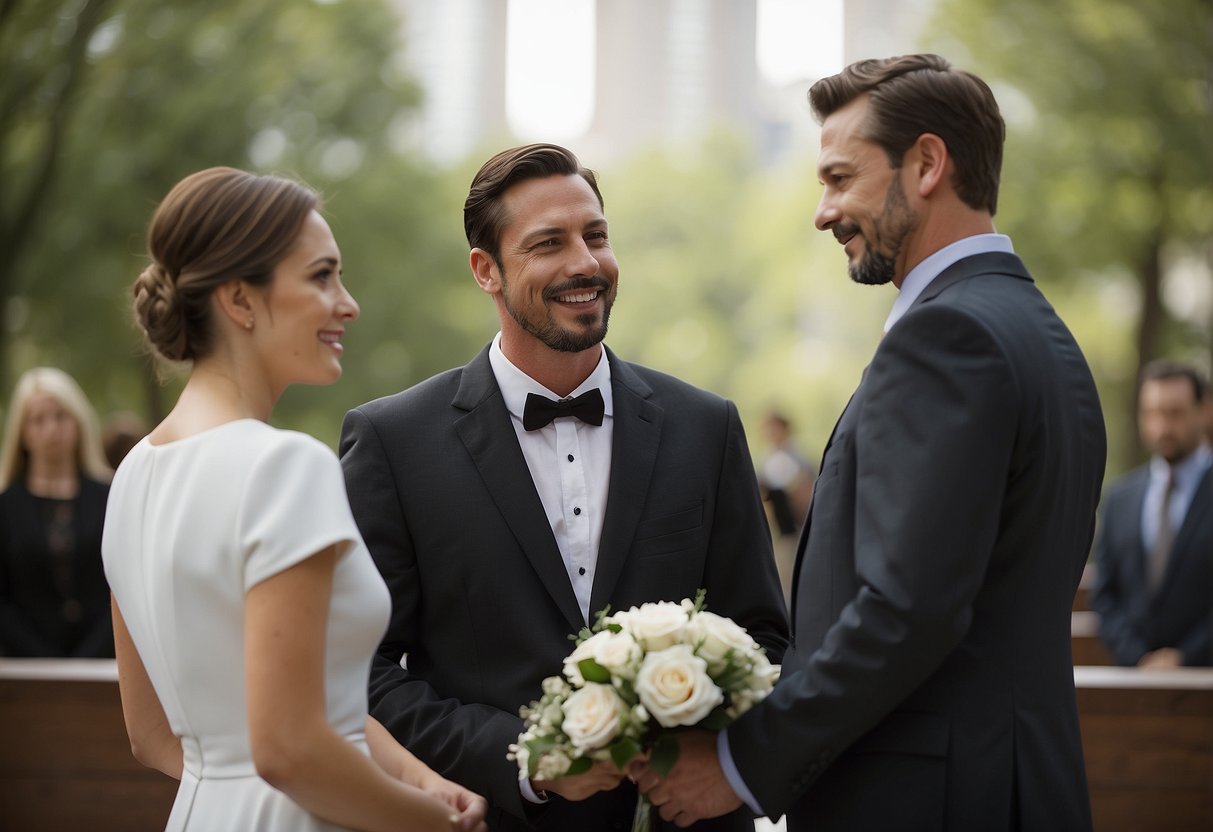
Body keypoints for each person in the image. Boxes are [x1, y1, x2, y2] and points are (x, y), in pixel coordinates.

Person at [632, 54, 1107, 831]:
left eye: (838, 178)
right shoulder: (1039, 334)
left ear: (926, 164)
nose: (823, 212)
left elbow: (904, 608)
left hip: (929, 800)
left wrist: (742, 762)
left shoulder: (945, 337)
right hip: (1015, 782)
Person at [339, 143, 789, 831]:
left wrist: (714, 756)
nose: (584, 262)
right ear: (485, 271)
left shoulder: (707, 426)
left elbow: (763, 638)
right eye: (548, 243)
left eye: (596, 236)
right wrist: (524, 761)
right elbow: (361, 672)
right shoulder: (392, 442)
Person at [102, 167, 487, 832]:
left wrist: (417, 775)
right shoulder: (285, 465)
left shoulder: (136, 473)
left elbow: (152, 736)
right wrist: (430, 823)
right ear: (240, 300)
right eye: (321, 276)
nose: (347, 303)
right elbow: (288, 749)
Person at [1092, 360, 1211, 668]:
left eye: (1175, 413)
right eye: (1152, 413)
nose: (1162, 427)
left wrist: (1184, 659)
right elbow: (1105, 595)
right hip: (1134, 684)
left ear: (1204, 410)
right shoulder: (1120, 498)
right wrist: (1139, 660)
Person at [0, 367, 114, 657]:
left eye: (60, 416)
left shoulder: (110, 497)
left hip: (103, 666)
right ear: (22, 432)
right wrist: (46, 662)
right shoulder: (6, 507)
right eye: (37, 420)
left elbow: (123, 587)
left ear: (78, 422)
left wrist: (86, 660)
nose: (51, 429)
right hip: (25, 675)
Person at [757, 411, 815, 600]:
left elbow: (805, 492)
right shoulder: (768, 460)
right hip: (783, 532)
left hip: (801, 528)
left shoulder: (797, 457)